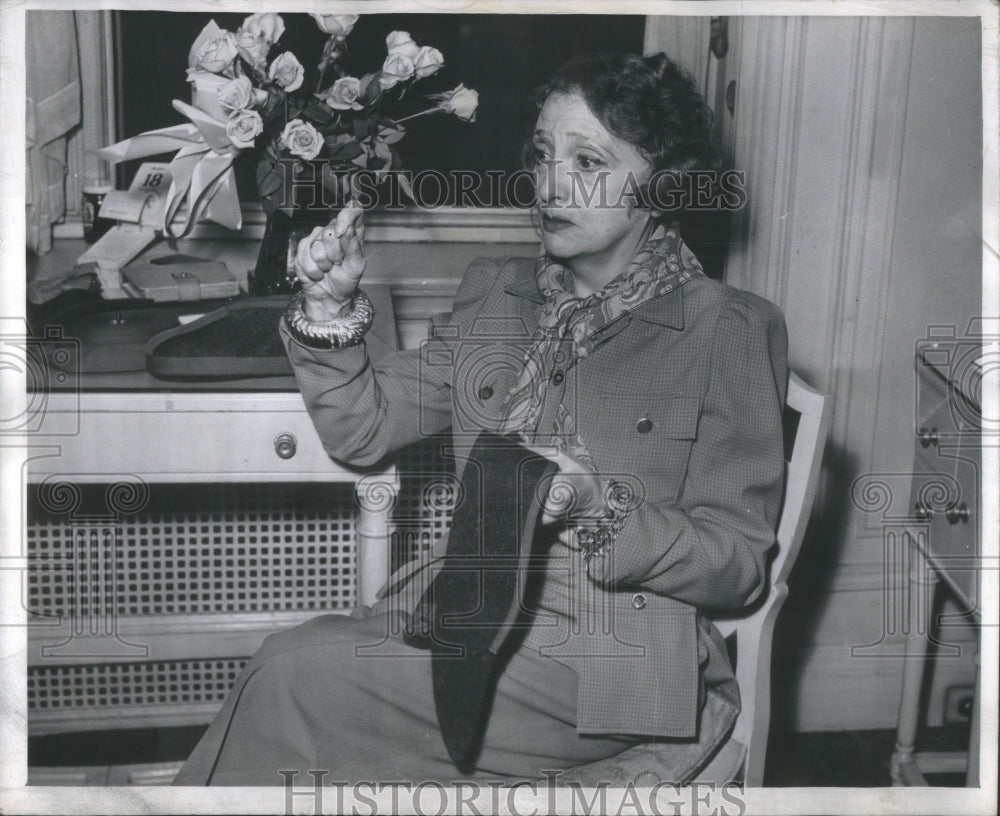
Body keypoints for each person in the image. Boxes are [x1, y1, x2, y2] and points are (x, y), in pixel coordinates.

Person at [173, 51, 788, 787]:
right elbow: (364, 429)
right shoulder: (499, 295)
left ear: (661, 185)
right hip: (464, 607)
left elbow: (737, 566)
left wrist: (603, 508)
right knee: (292, 661)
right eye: (542, 155)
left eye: (587, 161)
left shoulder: (729, 331)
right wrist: (329, 308)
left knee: (291, 678)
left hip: (614, 664)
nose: (551, 184)